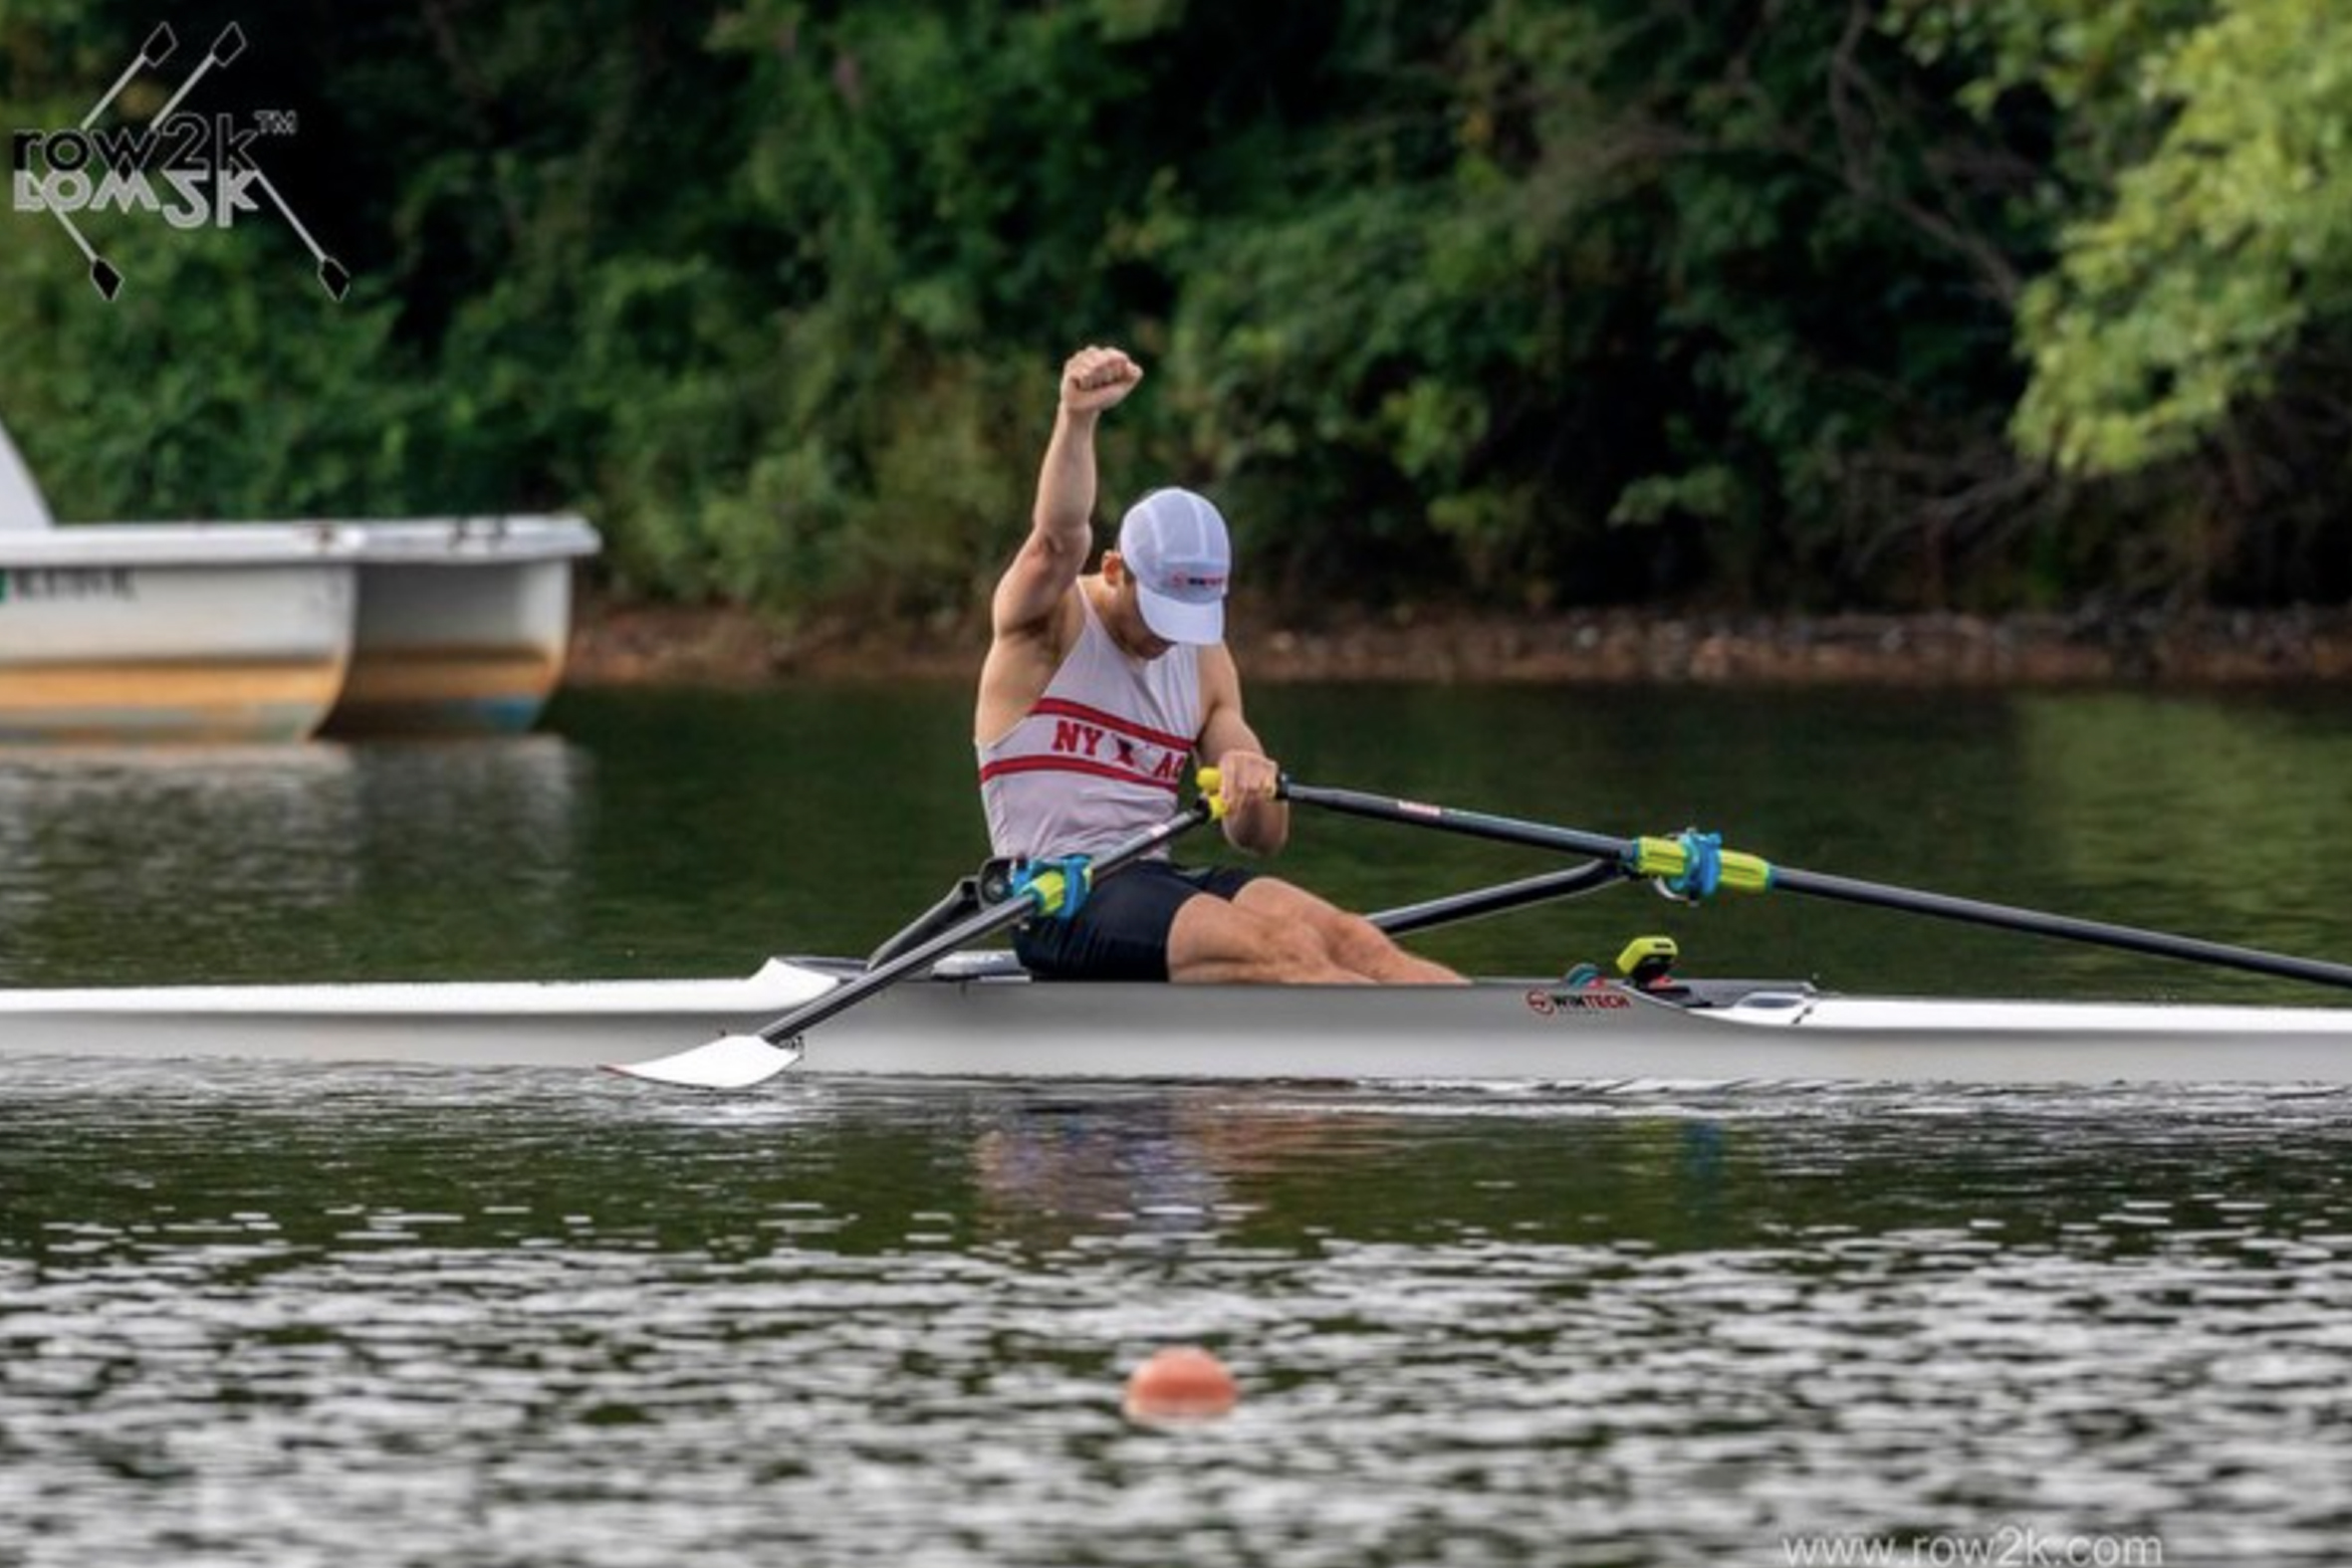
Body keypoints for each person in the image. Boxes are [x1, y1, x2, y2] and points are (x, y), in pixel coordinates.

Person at [975, 344, 1463, 986]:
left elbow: (1259, 838)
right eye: (1160, 613)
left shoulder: (1203, 660)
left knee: (1353, 941)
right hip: (1056, 898)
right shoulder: (1047, 624)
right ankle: (1389, 1074)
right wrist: (1076, 417)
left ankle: (1518, 1059)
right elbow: (1056, 539)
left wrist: (1251, 779)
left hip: (1157, 885)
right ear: (1117, 572)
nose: (1171, 639)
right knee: (1285, 954)